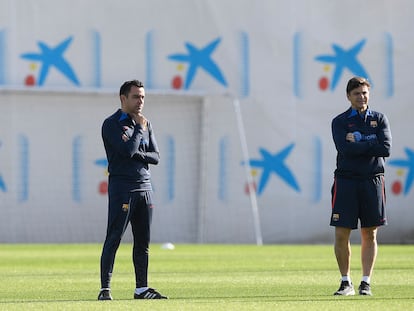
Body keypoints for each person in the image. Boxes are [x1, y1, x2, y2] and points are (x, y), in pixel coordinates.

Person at [98, 80, 167, 300]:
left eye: (143, 97)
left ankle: (141, 289)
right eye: (136, 97)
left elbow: (155, 157)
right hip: (123, 188)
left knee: (143, 242)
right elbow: (127, 150)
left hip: (145, 188)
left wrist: (138, 150)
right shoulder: (111, 124)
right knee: (114, 237)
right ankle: (105, 289)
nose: (140, 101)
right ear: (123, 98)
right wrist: (138, 129)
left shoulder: (147, 124)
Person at [330, 77, 392, 296]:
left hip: (372, 180)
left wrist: (358, 141)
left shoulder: (379, 119)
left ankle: (366, 282)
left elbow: (385, 149)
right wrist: (370, 143)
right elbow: (345, 150)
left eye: (364, 92)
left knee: (370, 233)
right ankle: (346, 282)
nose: (361, 97)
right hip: (346, 180)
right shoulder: (339, 121)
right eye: (357, 93)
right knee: (341, 233)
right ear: (348, 96)